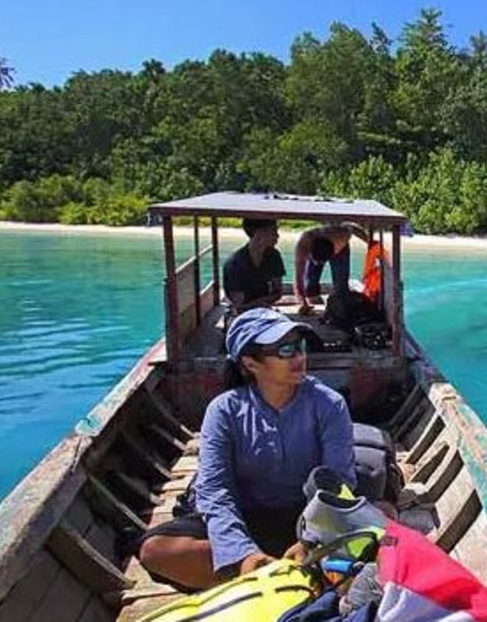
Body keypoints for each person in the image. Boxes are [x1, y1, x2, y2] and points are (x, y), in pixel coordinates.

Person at [136, 308, 358, 590]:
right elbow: (215, 491)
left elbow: (339, 482)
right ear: (251, 363)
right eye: (285, 350)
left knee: (383, 529)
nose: (299, 357)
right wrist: (242, 553)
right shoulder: (224, 410)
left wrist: (310, 539)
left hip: (307, 518)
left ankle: (272, 578)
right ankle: (275, 576)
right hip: (245, 516)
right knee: (156, 551)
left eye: (300, 347)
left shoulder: (329, 404)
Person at [293, 223, 368, 308]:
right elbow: (298, 279)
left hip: (340, 249)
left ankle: (340, 300)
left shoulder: (342, 234)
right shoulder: (303, 245)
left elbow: (353, 227)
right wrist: (303, 303)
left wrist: (370, 243)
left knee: (341, 287)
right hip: (319, 246)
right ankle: (312, 297)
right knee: (310, 284)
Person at [222, 218, 285, 313]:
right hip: (242, 315)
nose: (277, 236)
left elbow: (278, 293)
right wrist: (262, 303)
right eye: (273, 231)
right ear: (259, 233)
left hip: (264, 309)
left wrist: (261, 304)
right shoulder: (235, 264)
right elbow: (238, 306)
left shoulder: (274, 256)